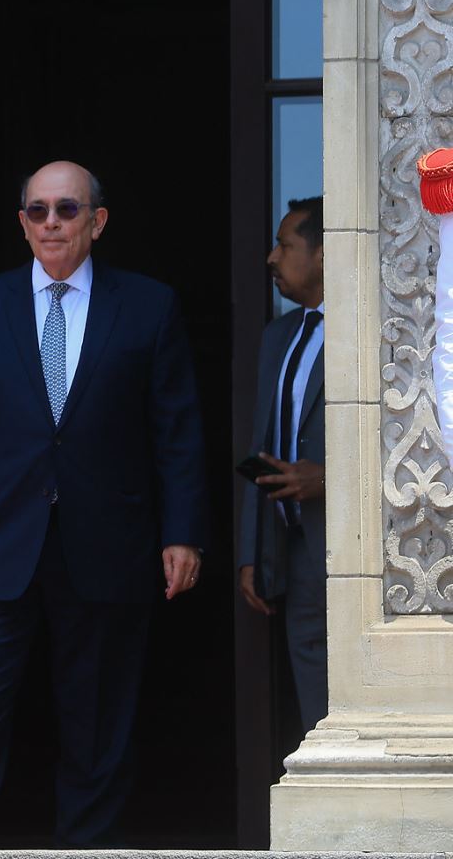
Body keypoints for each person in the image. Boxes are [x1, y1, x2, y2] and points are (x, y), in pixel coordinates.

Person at [0, 161, 207, 848]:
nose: (52, 223)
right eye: (37, 211)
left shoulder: (148, 305)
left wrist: (184, 531)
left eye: (67, 209)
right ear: (23, 223)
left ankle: (85, 844)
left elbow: (176, 431)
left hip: (108, 535)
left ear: (98, 221)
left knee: (95, 706)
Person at [237, 196, 327, 731]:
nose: (272, 257)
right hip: (290, 549)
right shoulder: (279, 336)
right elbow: (260, 444)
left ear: (323, 253)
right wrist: (252, 550)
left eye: (285, 244)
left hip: (359, 558)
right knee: (315, 698)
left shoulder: (377, 329)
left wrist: (328, 478)